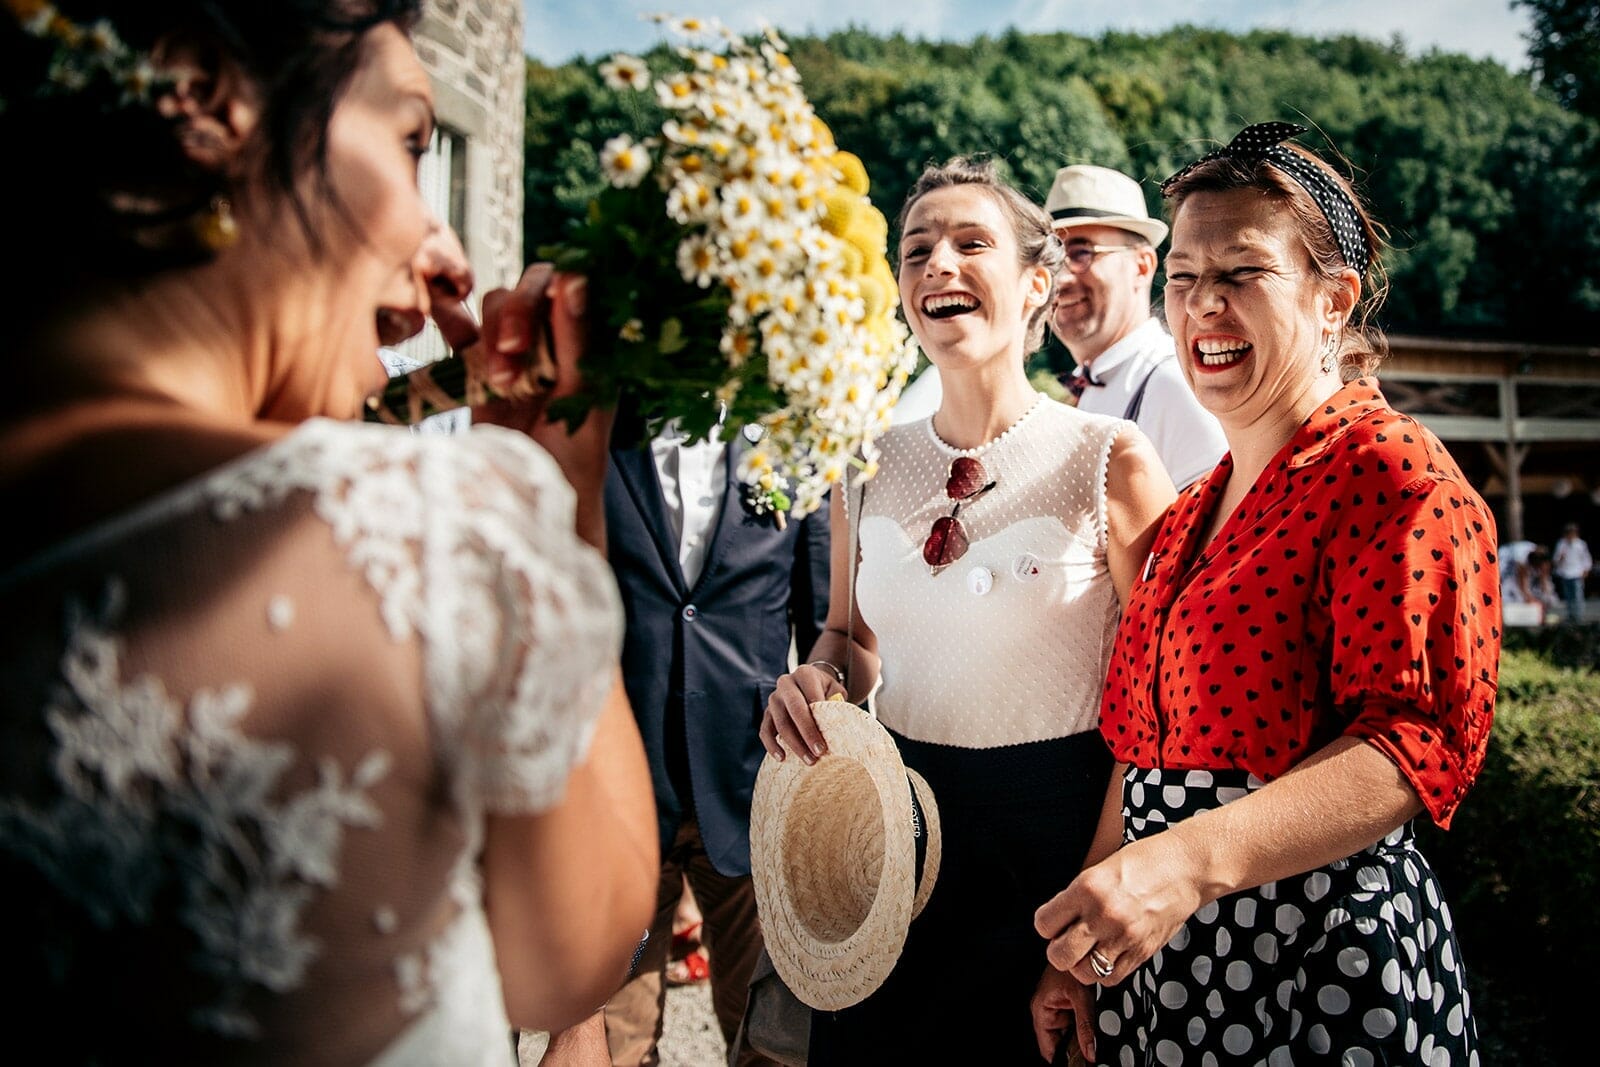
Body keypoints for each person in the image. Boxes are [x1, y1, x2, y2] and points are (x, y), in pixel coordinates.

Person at [0, 2, 657, 1061]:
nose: (447, 262)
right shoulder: (427, 532)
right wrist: (555, 509)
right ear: (202, 99)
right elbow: (574, 958)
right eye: (411, 144)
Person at [1031, 122, 1500, 1066]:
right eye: (1183, 277)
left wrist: (1184, 864)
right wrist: (1082, 942)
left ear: (1334, 299)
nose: (1203, 303)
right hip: (1165, 963)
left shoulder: (1391, 470)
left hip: (1320, 959)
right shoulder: (1192, 508)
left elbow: (1416, 741)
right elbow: (1139, 752)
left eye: (1241, 272)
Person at [759, 155, 1176, 1064]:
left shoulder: (1110, 459)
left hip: (1054, 856)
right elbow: (849, 638)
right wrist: (817, 676)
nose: (937, 264)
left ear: (1037, 284)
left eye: (970, 243)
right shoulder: (864, 464)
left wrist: (1096, 907)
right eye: (916, 250)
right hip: (889, 836)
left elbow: (1163, 703)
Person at [543, 405, 830, 1067]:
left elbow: (825, 632)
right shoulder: (592, 434)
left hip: (756, 787)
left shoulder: (791, 445)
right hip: (620, 793)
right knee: (613, 1042)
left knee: (769, 1040)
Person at [1044, 164, 1228, 491]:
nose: (1061, 277)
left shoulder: (1174, 383)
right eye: (1050, 260)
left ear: (1141, 267)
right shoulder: (1088, 386)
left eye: (1081, 253)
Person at [1553, 522, 1592, 623]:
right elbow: (1555, 559)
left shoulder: (1581, 544)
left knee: (1578, 595)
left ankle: (1578, 616)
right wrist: (1560, 558)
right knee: (1568, 596)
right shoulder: (1561, 544)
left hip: (1577, 573)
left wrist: (1586, 569)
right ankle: (1570, 615)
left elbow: (1586, 558)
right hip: (1565, 573)